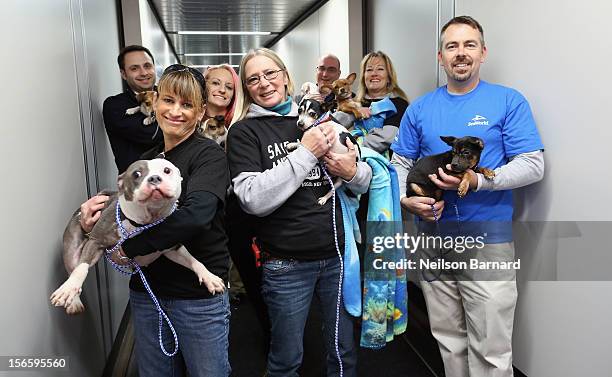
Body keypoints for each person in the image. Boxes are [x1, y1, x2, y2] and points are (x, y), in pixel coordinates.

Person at [390, 16, 544, 377]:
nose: (461, 53)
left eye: (469, 45)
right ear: (441, 56)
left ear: (483, 52)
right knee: (448, 340)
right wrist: (403, 199)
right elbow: (399, 161)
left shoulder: (507, 101)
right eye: (452, 46)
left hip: (487, 240)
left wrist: (479, 181)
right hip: (432, 239)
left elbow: (532, 165)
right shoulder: (421, 109)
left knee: (491, 348)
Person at [226, 48, 372, 377]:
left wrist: (350, 172)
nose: (263, 83)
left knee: (342, 351)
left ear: (286, 76)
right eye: (253, 79)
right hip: (285, 264)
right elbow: (252, 200)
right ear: (246, 89)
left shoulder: (325, 121)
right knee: (286, 358)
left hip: (337, 256)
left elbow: (363, 182)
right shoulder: (245, 133)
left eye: (270, 74)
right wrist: (306, 153)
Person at [83, 64, 231, 376]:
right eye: (168, 101)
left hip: (197, 298)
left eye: (187, 104)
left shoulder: (208, 156)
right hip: (148, 295)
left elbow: (197, 215)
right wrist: (92, 224)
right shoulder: (148, 160)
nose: (176, 112)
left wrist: (133, 247)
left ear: (202, 111)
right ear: (155, 101)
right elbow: (124, 217)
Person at [103, 45, 164, 173]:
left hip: (176, 180)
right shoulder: (115, 106)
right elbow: (150, 135)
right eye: (134, 68)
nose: (143, 73)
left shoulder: (169, 96)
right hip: (137, 185)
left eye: (147, 66)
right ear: (124, 74)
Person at [355, 51, 409, 155]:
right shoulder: (354, 104)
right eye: (369, 70)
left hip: (386, 166)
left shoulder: (399, 104)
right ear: (363, 77)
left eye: (380, 69)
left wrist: (351, 145)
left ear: (389, 77)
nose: (374, 74)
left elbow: (387, 138)